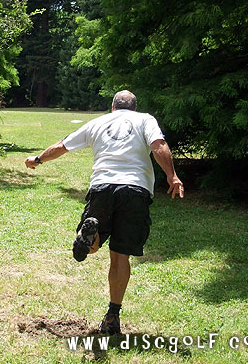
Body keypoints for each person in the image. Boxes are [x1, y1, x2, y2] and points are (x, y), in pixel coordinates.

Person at [24, 89, 184, 335]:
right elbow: (158, 145)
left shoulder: (98, 122)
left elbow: (62, 146)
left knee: (94, 243)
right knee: (120, 256)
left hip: (102, 187)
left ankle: (91, 235)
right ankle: (112, 316)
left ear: (113, 107)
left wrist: (37, 159)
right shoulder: (145, 119)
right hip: (135, 190)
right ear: (134, 107)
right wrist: (172, 176)